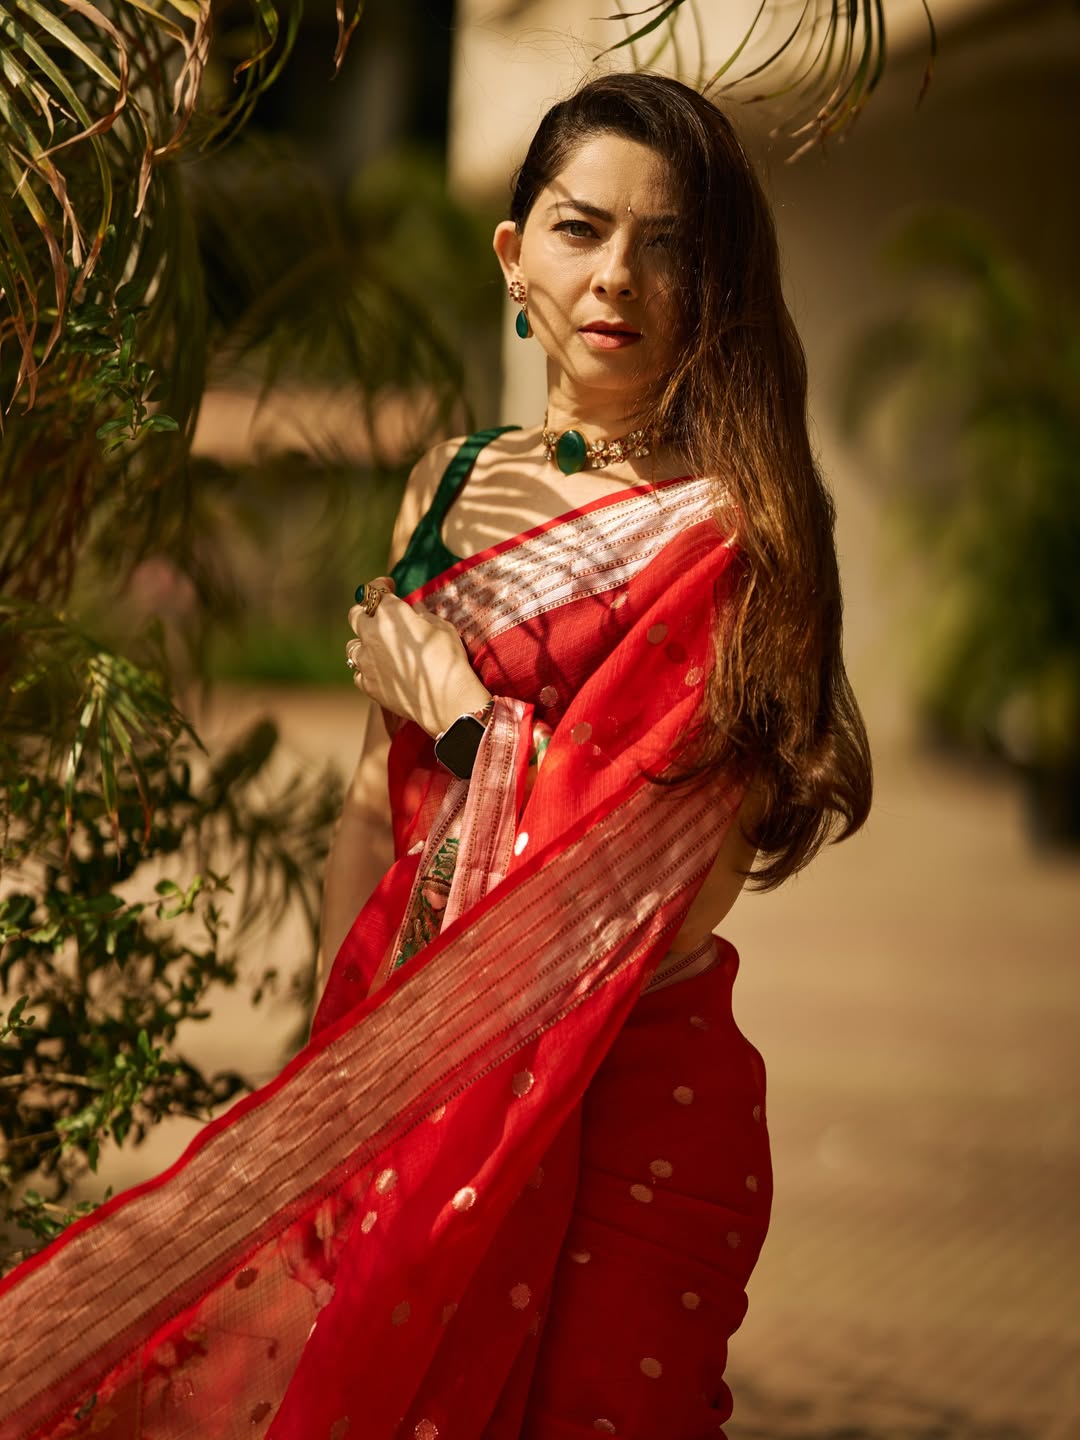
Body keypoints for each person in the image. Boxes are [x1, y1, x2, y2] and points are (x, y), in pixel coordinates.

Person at [0, 73, 871, 1439]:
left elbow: (675, 885)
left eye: (669, 244)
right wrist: (339, 1080)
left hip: (636, 1096)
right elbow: (367, 806)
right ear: (513, 259)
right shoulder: (454, 484)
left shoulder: (740, 537)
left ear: (719, 283)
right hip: (404, 1059)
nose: (620, 278)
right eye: (581, 231)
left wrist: (472, 719)